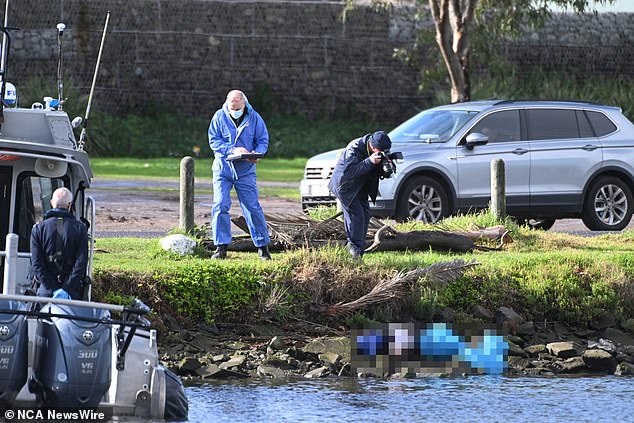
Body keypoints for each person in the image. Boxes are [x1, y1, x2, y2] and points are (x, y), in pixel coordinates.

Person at [208, 89, 271, 260]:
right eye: (231, 107)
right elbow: (214, 141)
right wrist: (232, 149)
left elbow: (262, 140)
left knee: (252, 207)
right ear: (227, 103)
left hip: (246, 170)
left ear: (244, 103)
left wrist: (256, 154)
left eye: (237, 107)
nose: (234, 110)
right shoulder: (219, 116)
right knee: (220, 205)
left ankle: (262, 247)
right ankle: (221, 247)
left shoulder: (255, 118)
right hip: (223, 169)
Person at [328, 131, 392, 260]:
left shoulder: (375, 149)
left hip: (360, 185)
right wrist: (370, 161)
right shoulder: (354, 148)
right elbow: (349, 172)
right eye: (379, 151)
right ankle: (354, 252)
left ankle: (357, 250)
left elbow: (376, 170)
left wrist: (387, 166)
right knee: (356, 216)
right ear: (373, 147)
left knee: (365, 214)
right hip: (345, 187)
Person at [29, 187, 88, 300]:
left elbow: (37, 264)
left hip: (45, 291)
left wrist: (52, 289)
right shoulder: (80, 229)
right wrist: (67, 289)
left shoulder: (38, 229)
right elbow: (81, 263)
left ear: (51, 203)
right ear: (69, 205)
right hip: (72, 293)